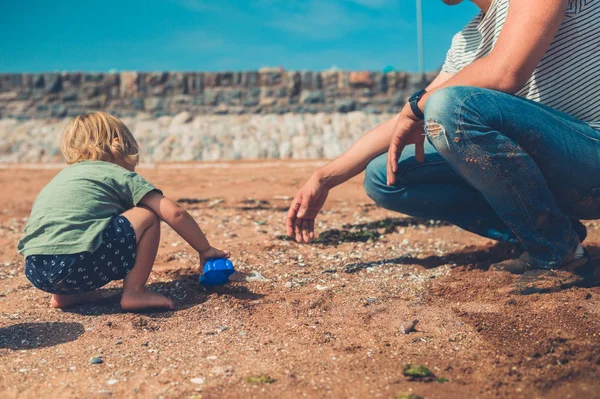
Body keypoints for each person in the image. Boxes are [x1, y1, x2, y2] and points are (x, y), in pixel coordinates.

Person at [286, 0, 600, 288]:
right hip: (558, 174)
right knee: (385, 176)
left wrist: (419, 106)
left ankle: (554, 252)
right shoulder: (467, 41)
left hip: (591, 159)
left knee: (449, 105)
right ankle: (552, 233)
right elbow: (404, 123)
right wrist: (324, 178)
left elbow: (506, 72)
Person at [17, 112, 229, 311]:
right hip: (75, 265)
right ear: (118, 143)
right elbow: (175, 213)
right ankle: (135, 292)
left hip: (37, 270)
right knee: (148, 215)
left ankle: (63, 296)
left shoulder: (63, 177)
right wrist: (204, 249)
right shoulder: (116, 173)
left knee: (79, 231)